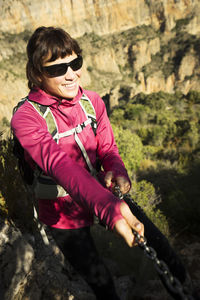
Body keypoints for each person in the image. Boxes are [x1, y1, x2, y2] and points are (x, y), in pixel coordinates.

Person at [11, 26, 144, 300]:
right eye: (58, 69)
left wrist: (117, 171)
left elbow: (107, 148)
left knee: (162, 249)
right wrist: (108, 208)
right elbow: (59, 164)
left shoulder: (93, 101)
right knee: (101, 281)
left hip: (104, 195)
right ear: (37, 74)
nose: (71, 74)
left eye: (75, 63)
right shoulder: (26, 119)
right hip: (61, 215)